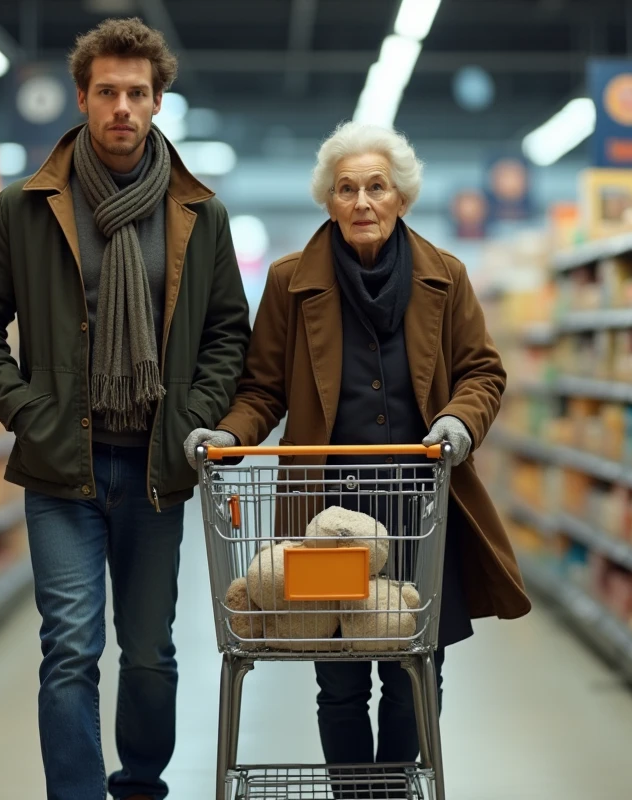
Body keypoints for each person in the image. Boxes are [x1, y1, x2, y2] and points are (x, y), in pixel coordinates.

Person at [0, 17, 251, 800]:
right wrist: (25, 410)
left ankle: (142, 784)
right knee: (71, 649)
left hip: (156, 467)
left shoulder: (199, 214)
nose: (123, 106)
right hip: (62, 466)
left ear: (159, 103)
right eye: (108, 92)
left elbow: (229, 336)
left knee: (150, 652)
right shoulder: (26, 207)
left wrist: (194, 418)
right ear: (82, 98)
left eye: (138, 93)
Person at [185, 122, 531, 782]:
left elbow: (481, 372)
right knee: (339, 672)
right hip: (327, 514)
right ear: (328, 200)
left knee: (415, 666)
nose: (362, 202)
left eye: (377, 187)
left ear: (401, 196)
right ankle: (353, 795)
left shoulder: (445, 278)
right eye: (347, 189)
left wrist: (459, 422)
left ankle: (393, 790)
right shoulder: (291, 283)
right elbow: (261, 386)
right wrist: (231, 433)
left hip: (421, 507)